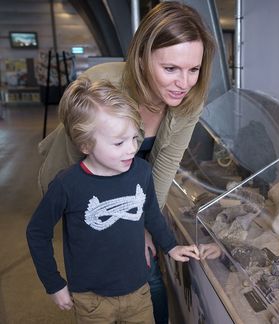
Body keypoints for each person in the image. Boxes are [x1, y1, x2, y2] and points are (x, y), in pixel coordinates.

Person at [36, 2, 221, 323]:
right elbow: (65, 176)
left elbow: (165, 164)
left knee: (146, 270)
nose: (184, 82)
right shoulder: (100, 87)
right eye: (171, 68)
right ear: (141, 57)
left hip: (136, 179)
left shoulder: (190, 96)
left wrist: (143, 227)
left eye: (194, 69)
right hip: (83, 182)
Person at [27, 77, 203, 323]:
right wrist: (53, 283)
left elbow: (151, 213)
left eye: (134, 138)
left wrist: (171, 246)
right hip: (91, 301)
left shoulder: (141, 172)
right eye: (119, 142)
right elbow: (37, 232)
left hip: (139, 293)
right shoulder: (67, 185)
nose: (131, 149)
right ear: (85, 144)